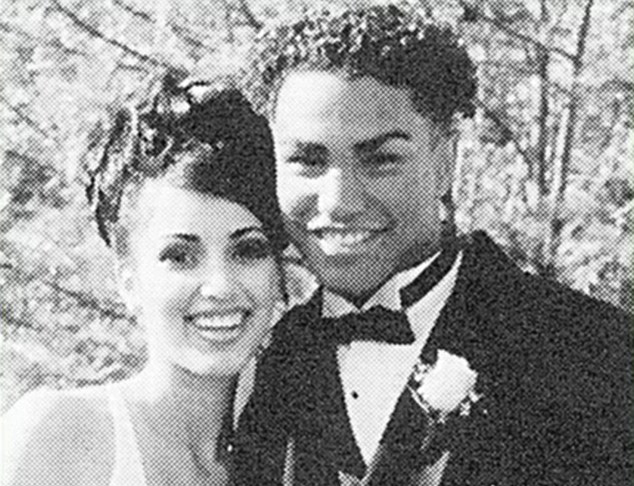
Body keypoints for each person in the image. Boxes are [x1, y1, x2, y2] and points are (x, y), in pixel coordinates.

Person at [234, 5, 634, 486]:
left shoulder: (597, 351)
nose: (338, 202)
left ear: (445, 161)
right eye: (306, 161)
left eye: (380, 159)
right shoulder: (263, 371)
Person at [2, 70, 288, 486]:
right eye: (180, 256)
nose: (221, 286)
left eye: (247, 250)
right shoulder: (62, 437)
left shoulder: (294, 455)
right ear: (128, 279)